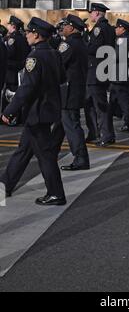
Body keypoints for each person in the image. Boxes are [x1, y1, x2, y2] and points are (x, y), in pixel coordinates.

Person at [0, 17, 66, 205]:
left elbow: (27, 88)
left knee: (45, 156)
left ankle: (56, 193)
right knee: (23, 151)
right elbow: (61, 78)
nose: (26, 35)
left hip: (37, 112)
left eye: (29, 32)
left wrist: (9, 110)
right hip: (46, 110)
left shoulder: (35, 57)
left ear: (36, 35)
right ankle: (5, 185)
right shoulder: (53, 53)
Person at [51, 14, 90, 171]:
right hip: (75, 89)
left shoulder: (68, 44)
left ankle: (81, 157)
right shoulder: (80, 43)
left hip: (68, 90)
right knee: (62, 123)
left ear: (71, 27)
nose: (63, 28)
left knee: (71, 125)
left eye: (65, 26)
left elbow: (57, 63)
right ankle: (51, 151)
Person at [84, 3, 116, 145]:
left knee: (100, 105)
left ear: (96, 13)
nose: (90, 15)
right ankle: (95, 132)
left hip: (95, 70)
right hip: (102, 70)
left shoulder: (98, 28)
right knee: (90, 104)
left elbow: (94, 48)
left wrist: (84, 45)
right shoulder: (109, 28)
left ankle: (106, 134)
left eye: (91, 12)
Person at [106, 19, 129, 140]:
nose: (115, 30)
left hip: (120, 75)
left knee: (123, 101)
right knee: (113, 100)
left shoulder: (123, 40)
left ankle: (128, 124)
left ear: (122, 28)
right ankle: (108, 123)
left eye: (117, 28)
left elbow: (117, 56)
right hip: (122, 74)